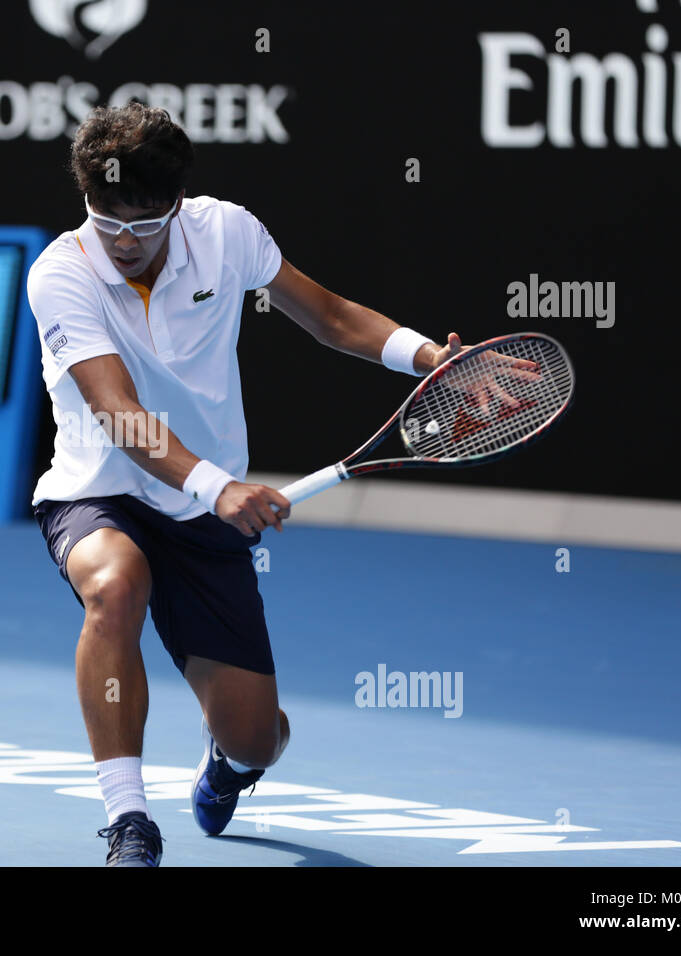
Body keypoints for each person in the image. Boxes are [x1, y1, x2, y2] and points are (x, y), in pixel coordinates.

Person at [29, 103, 466, 866]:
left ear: (177, 205)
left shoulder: (227, 233)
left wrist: (427, 356)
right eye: (108, 222)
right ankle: (128, 821)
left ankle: (229, 764)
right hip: (101, 489)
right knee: (114, 586)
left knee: (256, 737)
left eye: (144, 223)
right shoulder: (61, 272)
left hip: (204, 517)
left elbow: (330, 317)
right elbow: (116, 413)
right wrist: (215, 485)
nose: (124, 243)